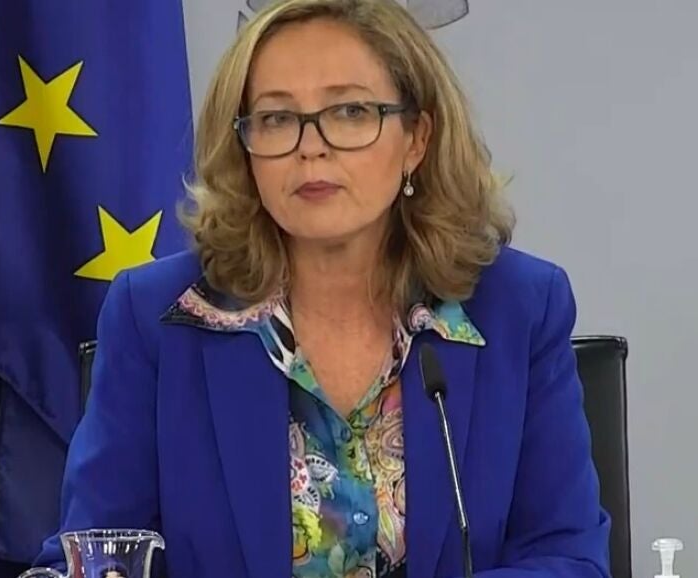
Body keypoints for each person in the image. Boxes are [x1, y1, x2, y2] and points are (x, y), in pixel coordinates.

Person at [33, 0, 611, 576]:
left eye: (351, 111)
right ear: (244, 147)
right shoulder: (156, 319)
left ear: (416, 138)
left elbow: (567, 559)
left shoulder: (519, 309)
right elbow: (92, 554)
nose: (311, 146)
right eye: (277, 119)